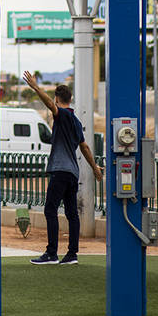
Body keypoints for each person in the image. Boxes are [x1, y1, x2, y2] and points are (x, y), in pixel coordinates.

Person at [23, 71, 104, 266]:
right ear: (71, 99)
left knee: (50, 210)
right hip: (72, 173)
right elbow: (84, 147)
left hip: (59, 170)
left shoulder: (62, 115)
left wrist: (35, 87)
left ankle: (51, 254)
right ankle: (72, 254)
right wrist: (94, 168)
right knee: (72, 214)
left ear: (58, 99)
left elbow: (51, 106)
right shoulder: (76, 120)